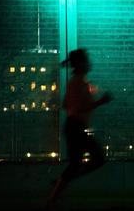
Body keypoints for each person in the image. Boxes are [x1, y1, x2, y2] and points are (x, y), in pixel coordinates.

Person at [47, 49, 112, 210]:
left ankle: (60, 185)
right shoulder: (77, 83)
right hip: (75, 127)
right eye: (86, 60)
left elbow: (66, 105)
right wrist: (100, 101)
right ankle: (57, 191)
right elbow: (77, 108)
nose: (89, 63)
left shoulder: (79, 83)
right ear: (80, 64)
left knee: (78, 163)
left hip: (75, 127)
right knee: (96, 159)